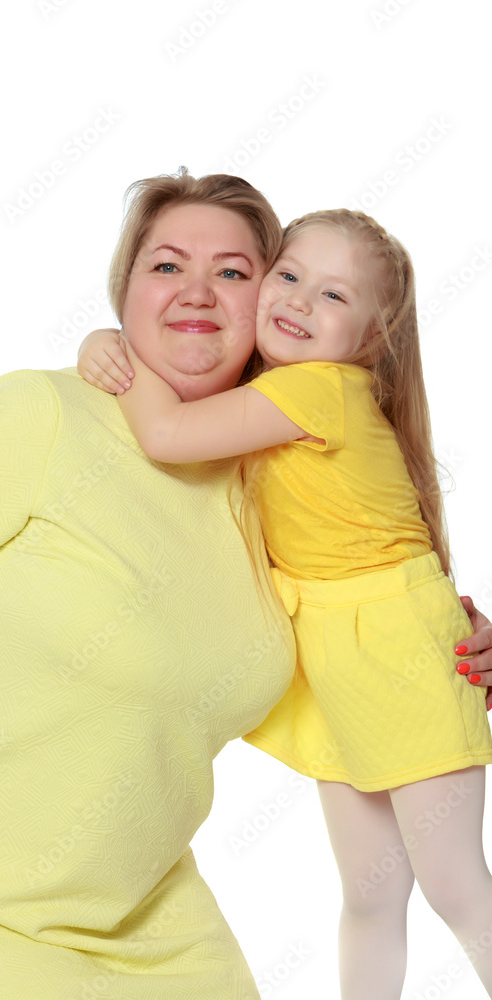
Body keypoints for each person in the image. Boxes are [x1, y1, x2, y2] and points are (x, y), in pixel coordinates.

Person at [0, 171, 297, 1000]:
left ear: (269, 304)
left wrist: (450, 647)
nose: (196, 292)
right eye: (165, 266)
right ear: (124, 290)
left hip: (161, 943)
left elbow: (342, 674)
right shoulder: (38, 415)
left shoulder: (275, 498)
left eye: (232, 271)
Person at [77, 207, 492, 998]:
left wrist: (113, 347)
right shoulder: (270, 391)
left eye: (333, 297)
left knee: (456, 888)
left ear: (371, 338)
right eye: (290, 276)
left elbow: (164, 434)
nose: (299, 302)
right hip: (333, 654)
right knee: (370, 896)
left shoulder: (316, 392)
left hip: (393, 646)